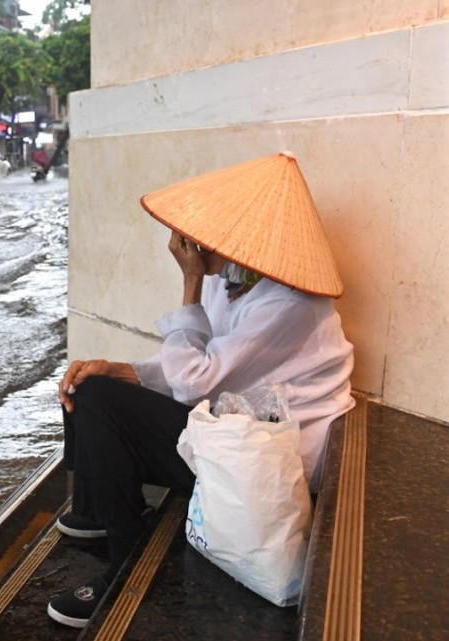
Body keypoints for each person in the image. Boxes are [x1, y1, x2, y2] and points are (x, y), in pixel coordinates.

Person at [46, 152, 354, 629]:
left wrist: (188, 282)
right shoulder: (232, 279)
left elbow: (193, 382)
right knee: (92, 382)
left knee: (104, 404)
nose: (191, 244)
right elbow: (200, 364)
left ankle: (124, 566)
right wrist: (122, 369)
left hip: (280, 458)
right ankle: (96, 507)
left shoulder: (290, 304)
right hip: (240, 422)